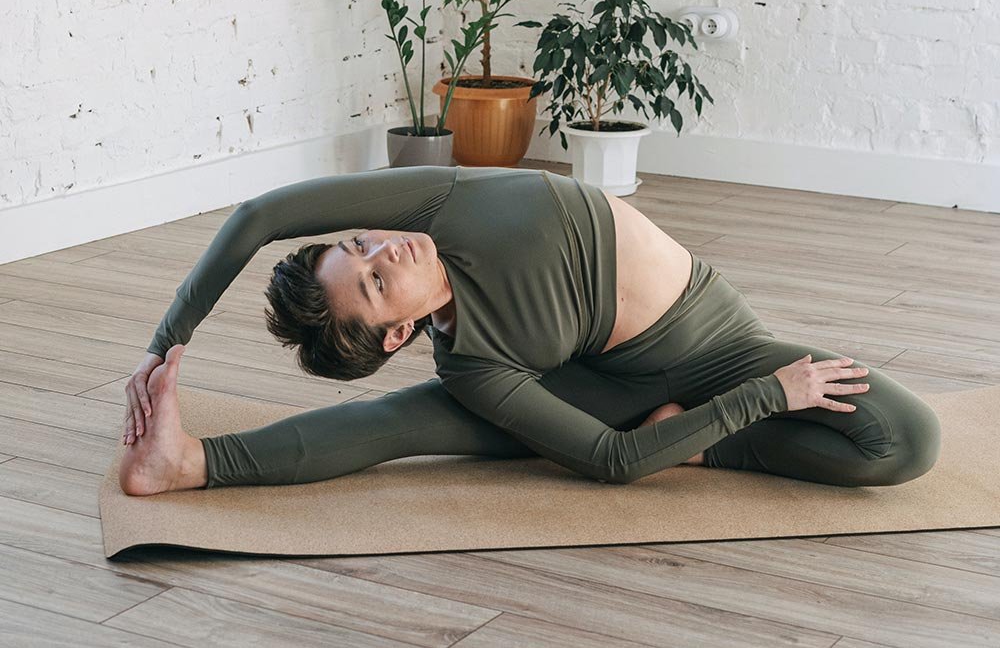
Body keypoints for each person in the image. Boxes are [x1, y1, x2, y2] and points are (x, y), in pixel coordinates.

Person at [118, 166, 941, 496]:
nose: (384, 250)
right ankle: (190, 464)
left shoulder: (436, 203)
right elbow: (613, 461)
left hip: (718, 347)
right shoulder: (472, 368)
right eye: (374, 282)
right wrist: (766, 400)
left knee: (904, 440)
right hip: (603, 394)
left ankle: (695, 445)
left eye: (359, 244)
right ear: (398, 335)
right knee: (404, 423)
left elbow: (259, 215)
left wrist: (164, 343)